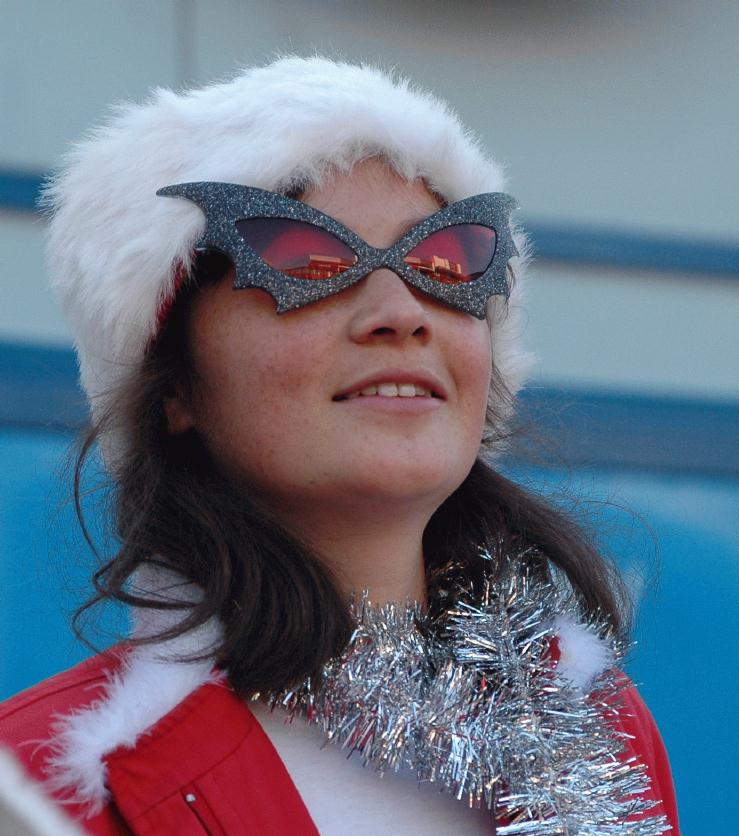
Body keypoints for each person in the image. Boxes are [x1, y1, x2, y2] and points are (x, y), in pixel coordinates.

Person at [0, 56, 678, 835]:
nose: (400, 312)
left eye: (444, 260)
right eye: (304, 257)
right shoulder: (39, 791)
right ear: (175, 385)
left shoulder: (596, 724)